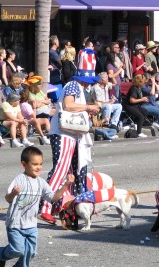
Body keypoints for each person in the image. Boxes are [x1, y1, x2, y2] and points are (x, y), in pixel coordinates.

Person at [0, 146, 75, 267]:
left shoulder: (41, 182)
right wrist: (14, 193)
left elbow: (53, 198)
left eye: (40, 164)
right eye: (35, 164)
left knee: (31, 253)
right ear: (24, 164)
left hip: (31, 225)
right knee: (17, 250)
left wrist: (66, 185)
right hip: (16, 224)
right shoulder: (19, 180)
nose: (38, 167)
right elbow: (8, 198)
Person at [39, 70, 101, 224]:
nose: (89, 84)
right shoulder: (73, 85)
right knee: (60, 170)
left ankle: (64, 205)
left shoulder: (77, 87)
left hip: (70, 133)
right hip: (63, 133)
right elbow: (68, 105)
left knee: (70, 171)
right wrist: (88, 107)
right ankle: (45, 207)